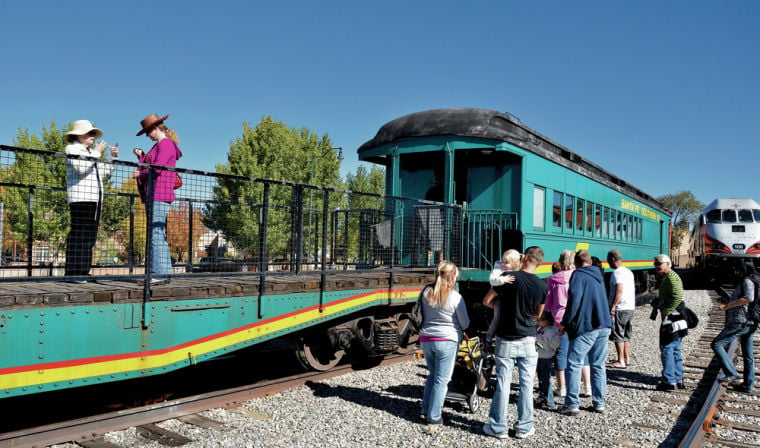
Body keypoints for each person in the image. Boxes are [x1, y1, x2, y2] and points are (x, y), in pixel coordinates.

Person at [483, 246, 546, 440]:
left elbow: (487, 300)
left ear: (525, 257)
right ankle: (524, 427)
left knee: (503, 383)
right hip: (528, 338)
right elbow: (538, 314)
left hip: (506, 338)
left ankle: (498, 427)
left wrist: (503, 310)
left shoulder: (509, 277)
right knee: (527, 385)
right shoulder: (542, 285)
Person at [557, 250, 612, 416]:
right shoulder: (599, 274)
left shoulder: (578, 275)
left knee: (573, 362)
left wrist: (565, 323)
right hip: (604, 324)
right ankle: (599, 403)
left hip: (588, 326)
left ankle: (572, 404)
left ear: (576, 262)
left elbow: (574, 300)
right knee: (598, 364)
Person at [64, 120, 118, 283]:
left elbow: (103, 172)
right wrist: (96, 153)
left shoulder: (90, 152)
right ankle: (74, 273)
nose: (93, 136)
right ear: (79, 135)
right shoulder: (72, 148)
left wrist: (113, 158)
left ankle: (82, 270)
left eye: (93, 133)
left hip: (94, 200)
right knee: (79, 235)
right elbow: (81, 168)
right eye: (90, 133)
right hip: (80, 198)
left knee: (89, 237)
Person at [418, 261, 470, 433]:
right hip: (447, 340)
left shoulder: (426, 291)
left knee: (433, 376)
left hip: (426, 339)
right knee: (442, 379)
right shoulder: (455, 297)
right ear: (453, 275)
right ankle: (434, 417)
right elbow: (465, 323)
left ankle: (425, 409)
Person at [135, 114, 183, 283]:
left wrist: (140, 172)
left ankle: (160, 274)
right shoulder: (160, 145)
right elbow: (151, 166)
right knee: (157, 233)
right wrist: (141, 157)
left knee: (156, 234)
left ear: (155, 129)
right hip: (155, 194)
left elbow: (157, 167)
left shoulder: (165, 144)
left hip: (159, 194)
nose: (148, 135)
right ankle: (161, 273)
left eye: (148, 132)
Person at [544, 250, 591, 398]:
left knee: (561, 353)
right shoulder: (581, 276)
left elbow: (548, 304)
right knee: (582, 352)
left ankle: (562, 387)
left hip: (560, 320)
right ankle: (587, 386)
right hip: (578, 319)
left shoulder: (553, 279)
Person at [711, 262, 757, 393]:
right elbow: (742, 302)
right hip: (747, 322)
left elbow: (748, 298)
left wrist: (726, 306)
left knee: (717, 344)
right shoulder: (744, 282)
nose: (735, 272)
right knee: (748, 355)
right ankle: (748, 385)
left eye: (737, 270)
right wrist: (726, 301)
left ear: (743, 270)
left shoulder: (747, 281)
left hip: (740, 322)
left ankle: (731, 373)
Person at [652, 254, 687, 391]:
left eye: (659, 264)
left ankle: (669, 381)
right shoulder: (669, 277)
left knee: (667, 347)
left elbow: (678, 296)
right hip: (677, 317)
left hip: (672, 318)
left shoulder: (672, 277)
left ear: (668, 264)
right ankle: (678, 379)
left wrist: (666, 310)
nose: (656, 266)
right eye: (655, 264)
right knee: (675, 348)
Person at [607, 250, 636, 368]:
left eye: (608, 259)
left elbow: (619, 289)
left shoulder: (617, 273)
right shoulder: (628, 271)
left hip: (621, 307)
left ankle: (620, 361)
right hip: (630, 306)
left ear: (613, 260)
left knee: (618, 333)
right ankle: (626, 358)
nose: (608, 262)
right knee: (626, 334)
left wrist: (613, 306)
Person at [483, 250, 519, 341]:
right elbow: (493, 280)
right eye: (503, 261)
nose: (503, 264)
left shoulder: (517, 271)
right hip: (499, 296)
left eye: (506, 263)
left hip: (510, 297)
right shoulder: (498, 269)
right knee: (497, 318)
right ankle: (488, 338)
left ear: (514, 264)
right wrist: (503, 279)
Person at [535, 310, 561, 408]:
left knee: (545, 379)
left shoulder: (552, 331)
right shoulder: (542, 329)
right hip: (540, 356)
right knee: (541, 378)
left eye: (539, 320)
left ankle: (549, 400)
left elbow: (552, 345)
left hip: (546, 357)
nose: (538, 322)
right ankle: (542, 396)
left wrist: (558, 336)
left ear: (545, 321)